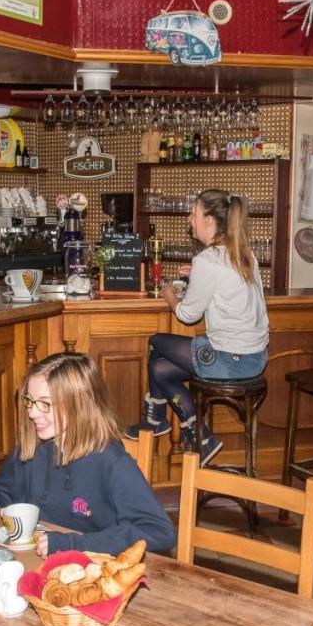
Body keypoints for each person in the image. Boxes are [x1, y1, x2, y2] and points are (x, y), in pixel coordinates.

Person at [0, 352, 176, 557]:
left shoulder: (112, 462)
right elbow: (4, 490)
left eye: (45, 404)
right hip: (38, 560)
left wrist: (74, 544)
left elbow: (160, 532)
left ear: (78, 405)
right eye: (29, 401)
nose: (31, 413)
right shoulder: (35, 445)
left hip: (91, 568)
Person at [126, 189, 269, 463]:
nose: (189, 220)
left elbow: (188, 315)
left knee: (156, 342)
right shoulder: (242, 253)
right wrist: (199, 277)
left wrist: (168, 292)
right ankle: (196, 433)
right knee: (159, 369)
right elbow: (228, 282)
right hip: (256, 358)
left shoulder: (207, 260)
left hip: (231, 360)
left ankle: (159, 419)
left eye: (193, 213)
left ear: (209, 220)